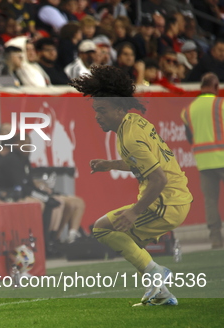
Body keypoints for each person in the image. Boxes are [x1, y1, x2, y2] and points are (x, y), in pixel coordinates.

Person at [70, 65, 193, 306]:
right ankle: (161, 294)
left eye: (102, 111)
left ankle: (157, 275)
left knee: (103, 229)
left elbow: (159, 179)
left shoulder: (130, 137)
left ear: (118, 109)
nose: (97, 116)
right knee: (130, 245)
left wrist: (134, 211)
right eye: (96, 110)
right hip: (175, 198)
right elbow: (145, 163)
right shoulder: (134, 122)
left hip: (166, 202)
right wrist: (111, 164)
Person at [180, 72, 224, 249]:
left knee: (210, 201)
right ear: (216, 87)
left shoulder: (188, 110)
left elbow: (189, 136)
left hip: (204, 162)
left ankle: (215, 238)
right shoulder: (220, 105)